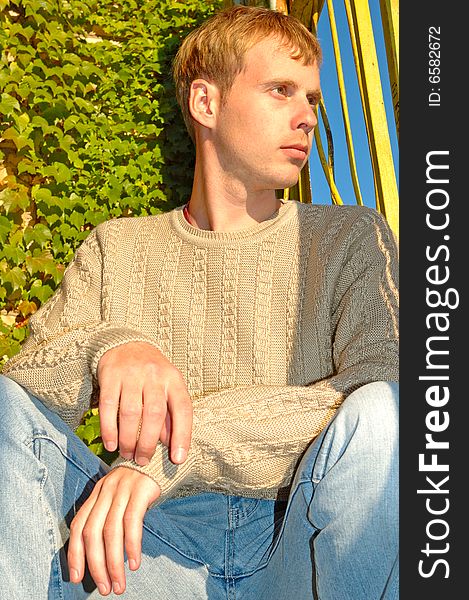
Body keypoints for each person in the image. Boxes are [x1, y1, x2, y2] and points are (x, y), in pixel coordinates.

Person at [0, 5, 399, 599]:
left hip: (300, 545)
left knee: (386, 412)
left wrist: (172, 453)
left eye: (311, 99)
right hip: (145, 556)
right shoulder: (119, 246)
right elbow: (25, 393)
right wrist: (111, 347)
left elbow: (387, 380)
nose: (306, 118)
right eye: (280, 90)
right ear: (206, 103)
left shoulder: (350, 239)